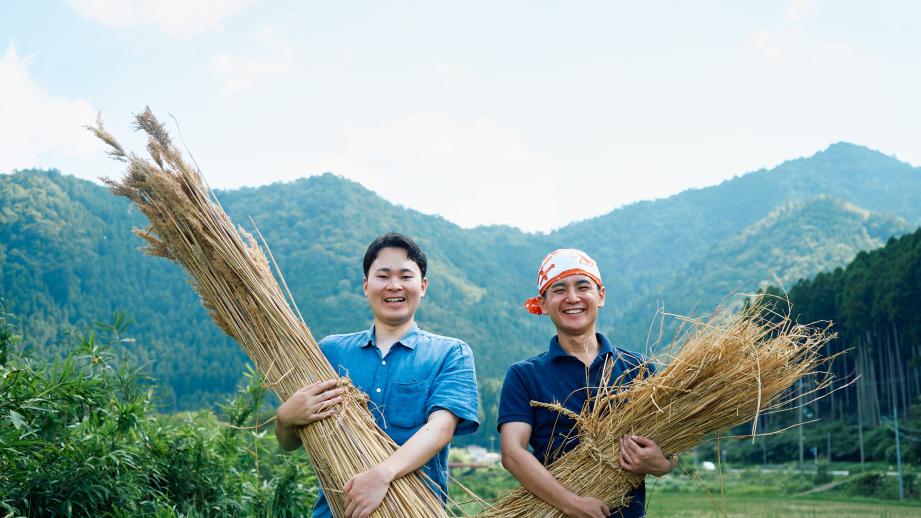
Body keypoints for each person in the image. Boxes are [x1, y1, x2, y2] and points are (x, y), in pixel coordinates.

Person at [275, 232, 479, 518]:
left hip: (416, 511)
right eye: (383, 276)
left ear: (422, 286)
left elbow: (441, 429)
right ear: (365, 285)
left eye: (405, 276)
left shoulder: (450, 353)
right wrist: (285, 419)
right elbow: (290, 442)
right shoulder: (329, 352)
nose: (394, 285)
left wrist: (382, 474)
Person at [498, 248, 676, 518]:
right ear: (543, 304)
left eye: (583, 286)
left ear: (600, 296)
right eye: (558, 290)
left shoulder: (638, 370)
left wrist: (660, 464)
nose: (572, 298)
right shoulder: (524, 375)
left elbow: (671, 448)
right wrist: (572, 504)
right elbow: (512, 453)